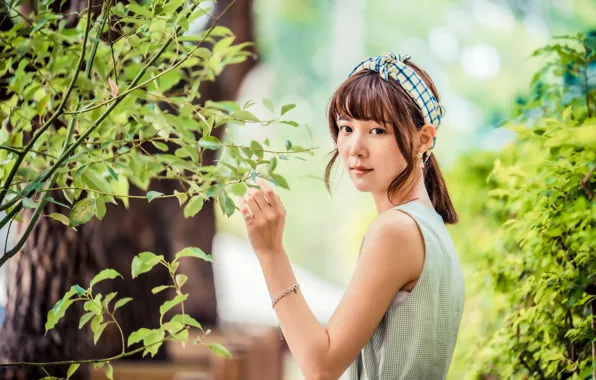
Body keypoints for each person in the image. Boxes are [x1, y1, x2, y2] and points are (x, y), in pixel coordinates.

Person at [237, 52, 465, 380]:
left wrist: (271, 253)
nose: (355, 147)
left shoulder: (395, 231)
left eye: (377, 131)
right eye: (346, 127)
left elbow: (321, 366)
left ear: (423, 138)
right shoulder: (432, 229)